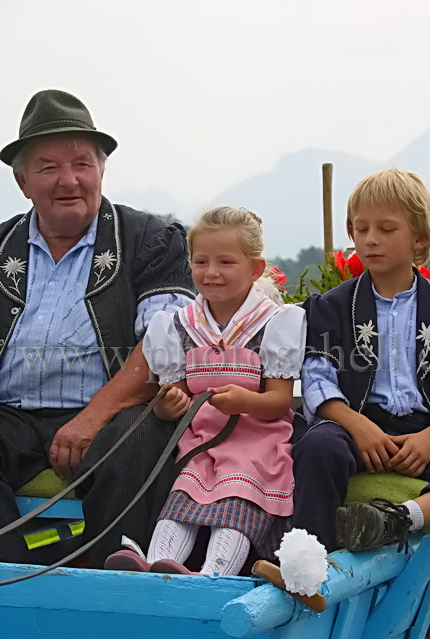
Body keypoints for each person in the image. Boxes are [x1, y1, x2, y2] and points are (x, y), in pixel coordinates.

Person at [0, 89, 195, 567]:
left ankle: (109, 581)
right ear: (23, 182)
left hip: (112, 413)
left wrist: (92, 416)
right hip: (12, 415)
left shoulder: (150, 240)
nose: (69, 180)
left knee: (134, 439)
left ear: (101, 171)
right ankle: (17, 581)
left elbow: (164, 345)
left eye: (82, 164)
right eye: (48, 167)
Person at [292, 168, 430, 553]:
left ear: (419, 239)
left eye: (386, 229)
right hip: (353, 429)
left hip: (427, 434)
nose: (370, 240)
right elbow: (318, 378)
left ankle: (399, 518)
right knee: (318, 447)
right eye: (360, 229)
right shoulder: (332, 309)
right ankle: (309, 559)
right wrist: (358, 426)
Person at [104, 206, 306, 575]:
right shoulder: (179, 325)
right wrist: (169, 405)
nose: (211, 273)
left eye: (226, 262)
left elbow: (280, 401)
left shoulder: (274, 323)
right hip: (201, 445)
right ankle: (153, 566)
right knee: (181, 504)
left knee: (232, 505)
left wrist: (247, 401)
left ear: (255, 269)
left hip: (257, 447)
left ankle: (213, 574)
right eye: (201, 262)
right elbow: (174, 398)